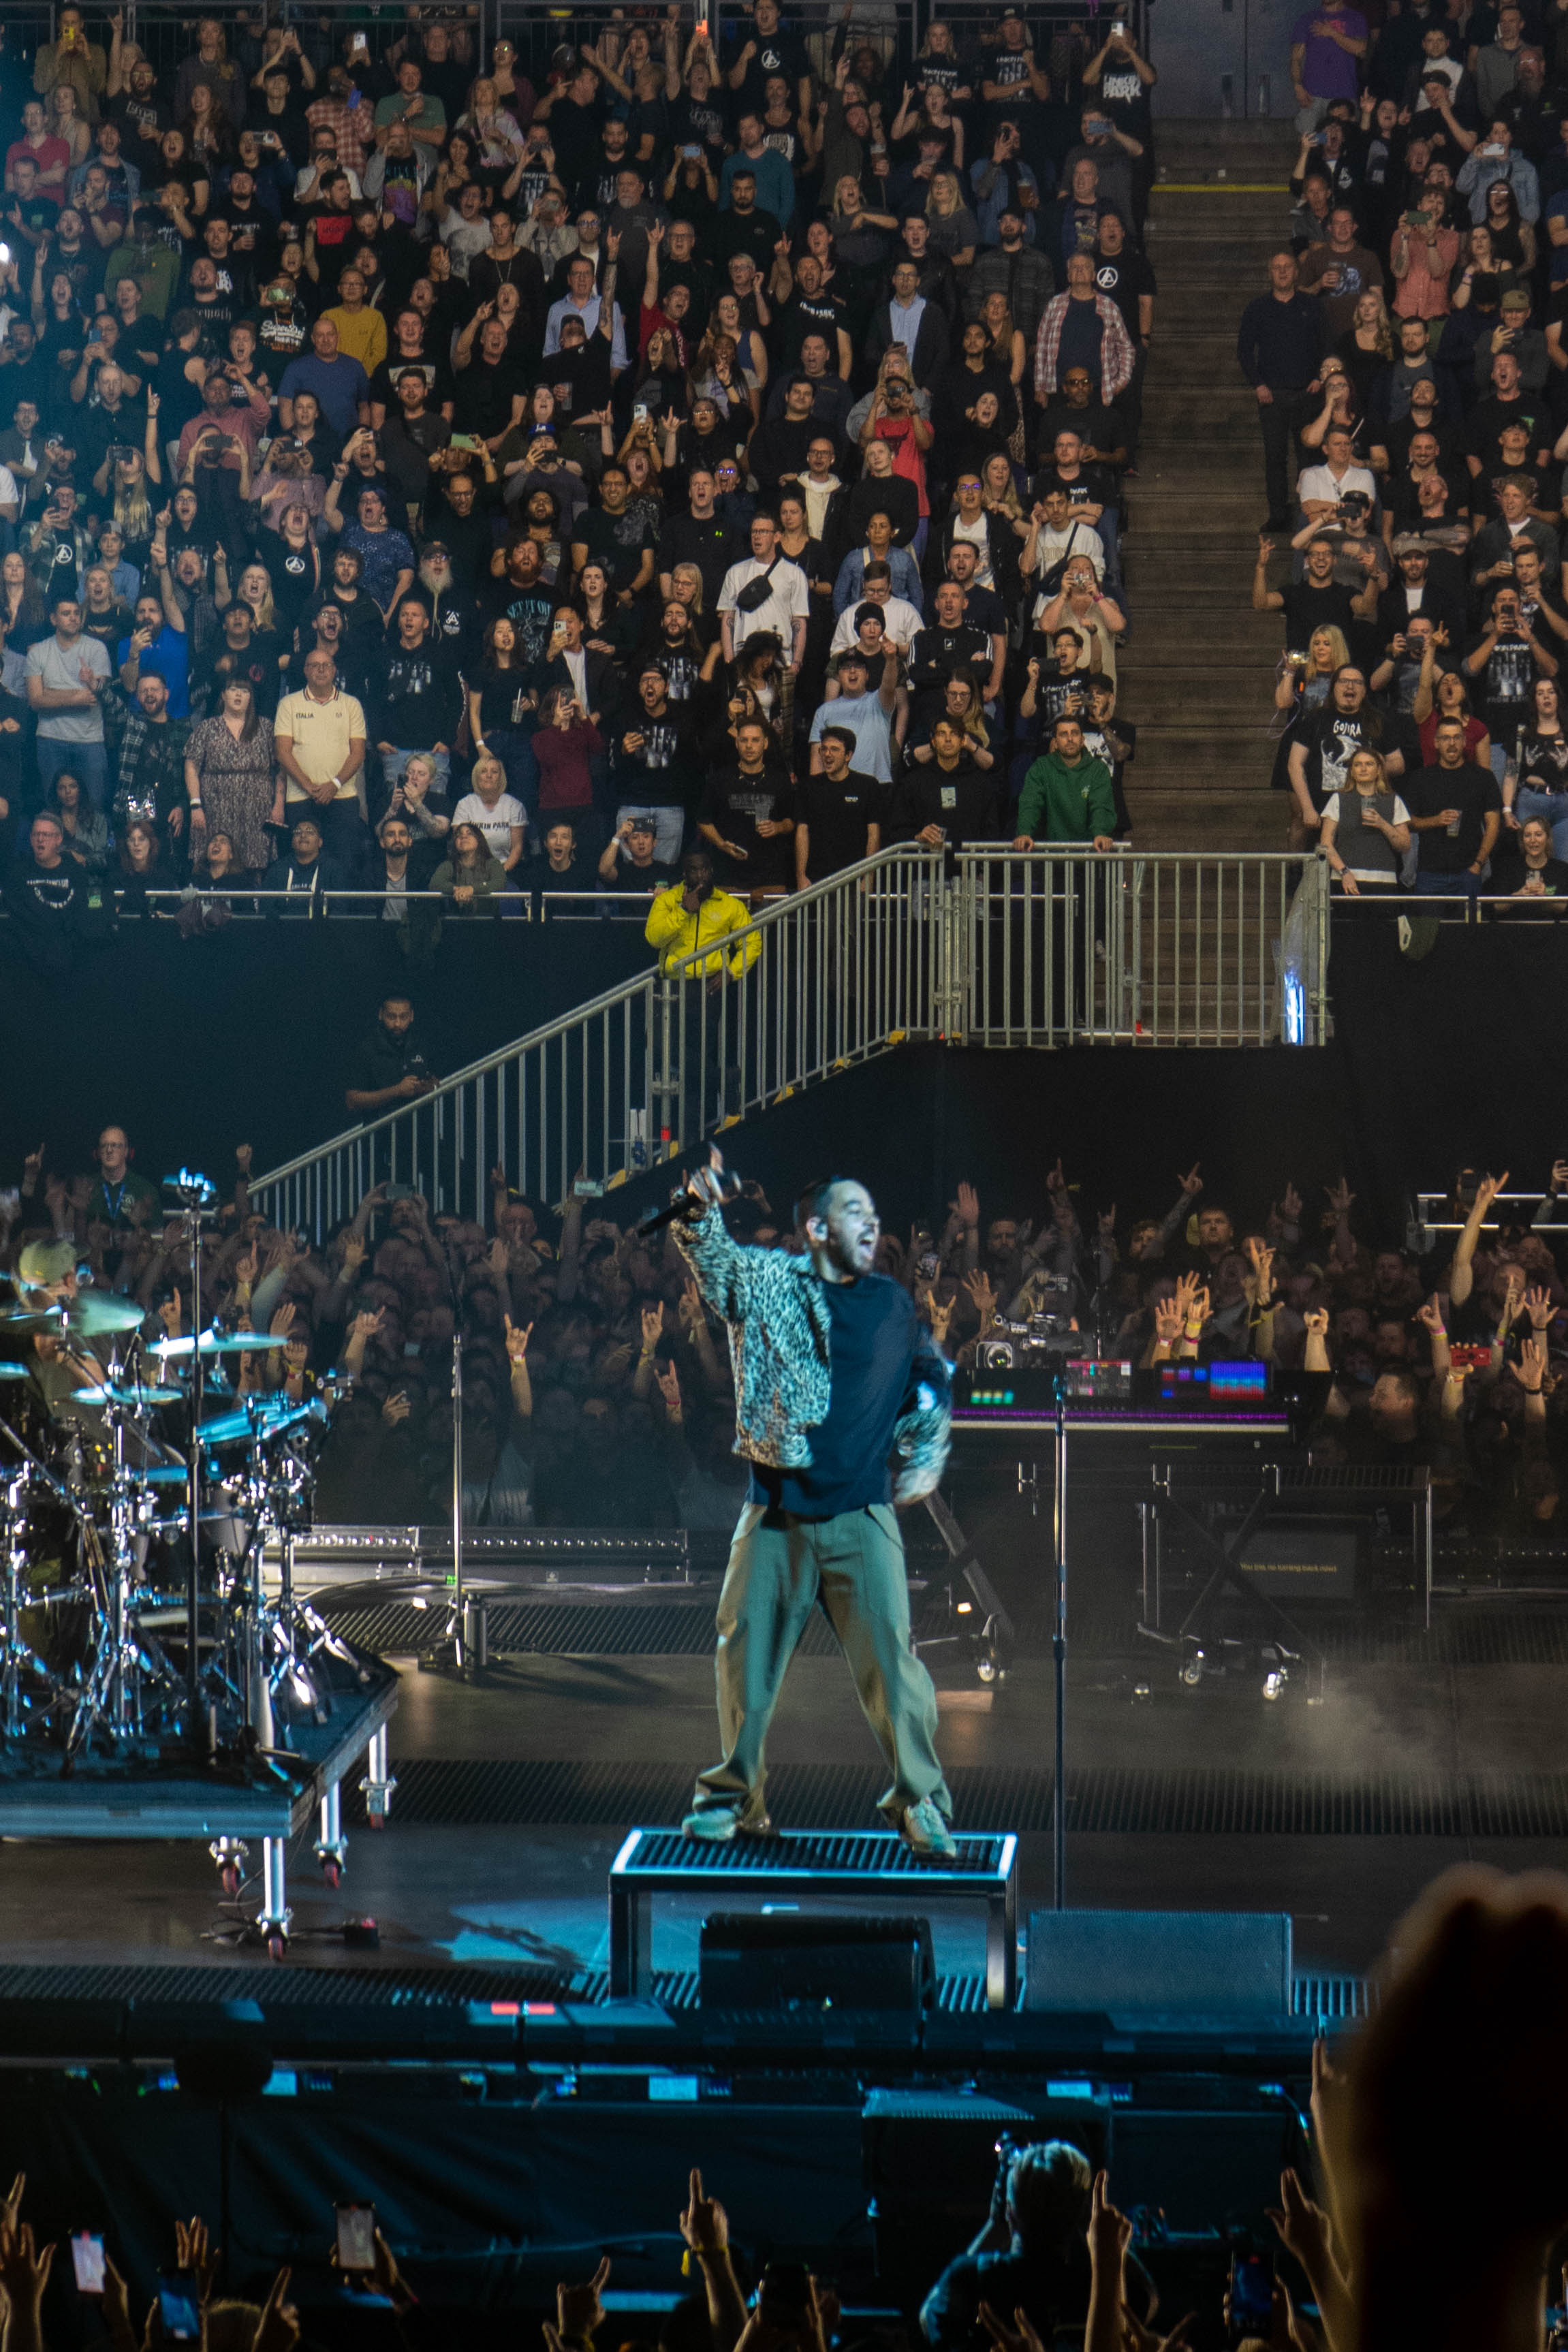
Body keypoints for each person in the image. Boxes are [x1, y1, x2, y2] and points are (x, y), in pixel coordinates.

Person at [672, 1150, 956, 1855]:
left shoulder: (891, 1302)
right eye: (855, 1211)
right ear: (817, 1229)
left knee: (895, 1671)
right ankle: (736, 1800)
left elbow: (925, 1369)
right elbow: (711, 1261)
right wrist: (694, 1206)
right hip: (775, 1512)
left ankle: (920, 1802)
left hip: (862, 1515)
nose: (873, 1222)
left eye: (874, 1211)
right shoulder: (768, 1281)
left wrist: (927, 1437)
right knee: (745, 1665)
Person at [345, 990, 437, 1117]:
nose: (397, 1024)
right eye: (391, 1017)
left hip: (419, 1130)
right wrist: (397, 1090)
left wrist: (428, 1087)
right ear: (381, 1015)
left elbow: (437, 1082)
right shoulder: (366, 1049)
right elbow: (352, 1101)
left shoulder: (422, 1045)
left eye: (403, 1017)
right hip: (380, 1132)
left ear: (412, 1016)